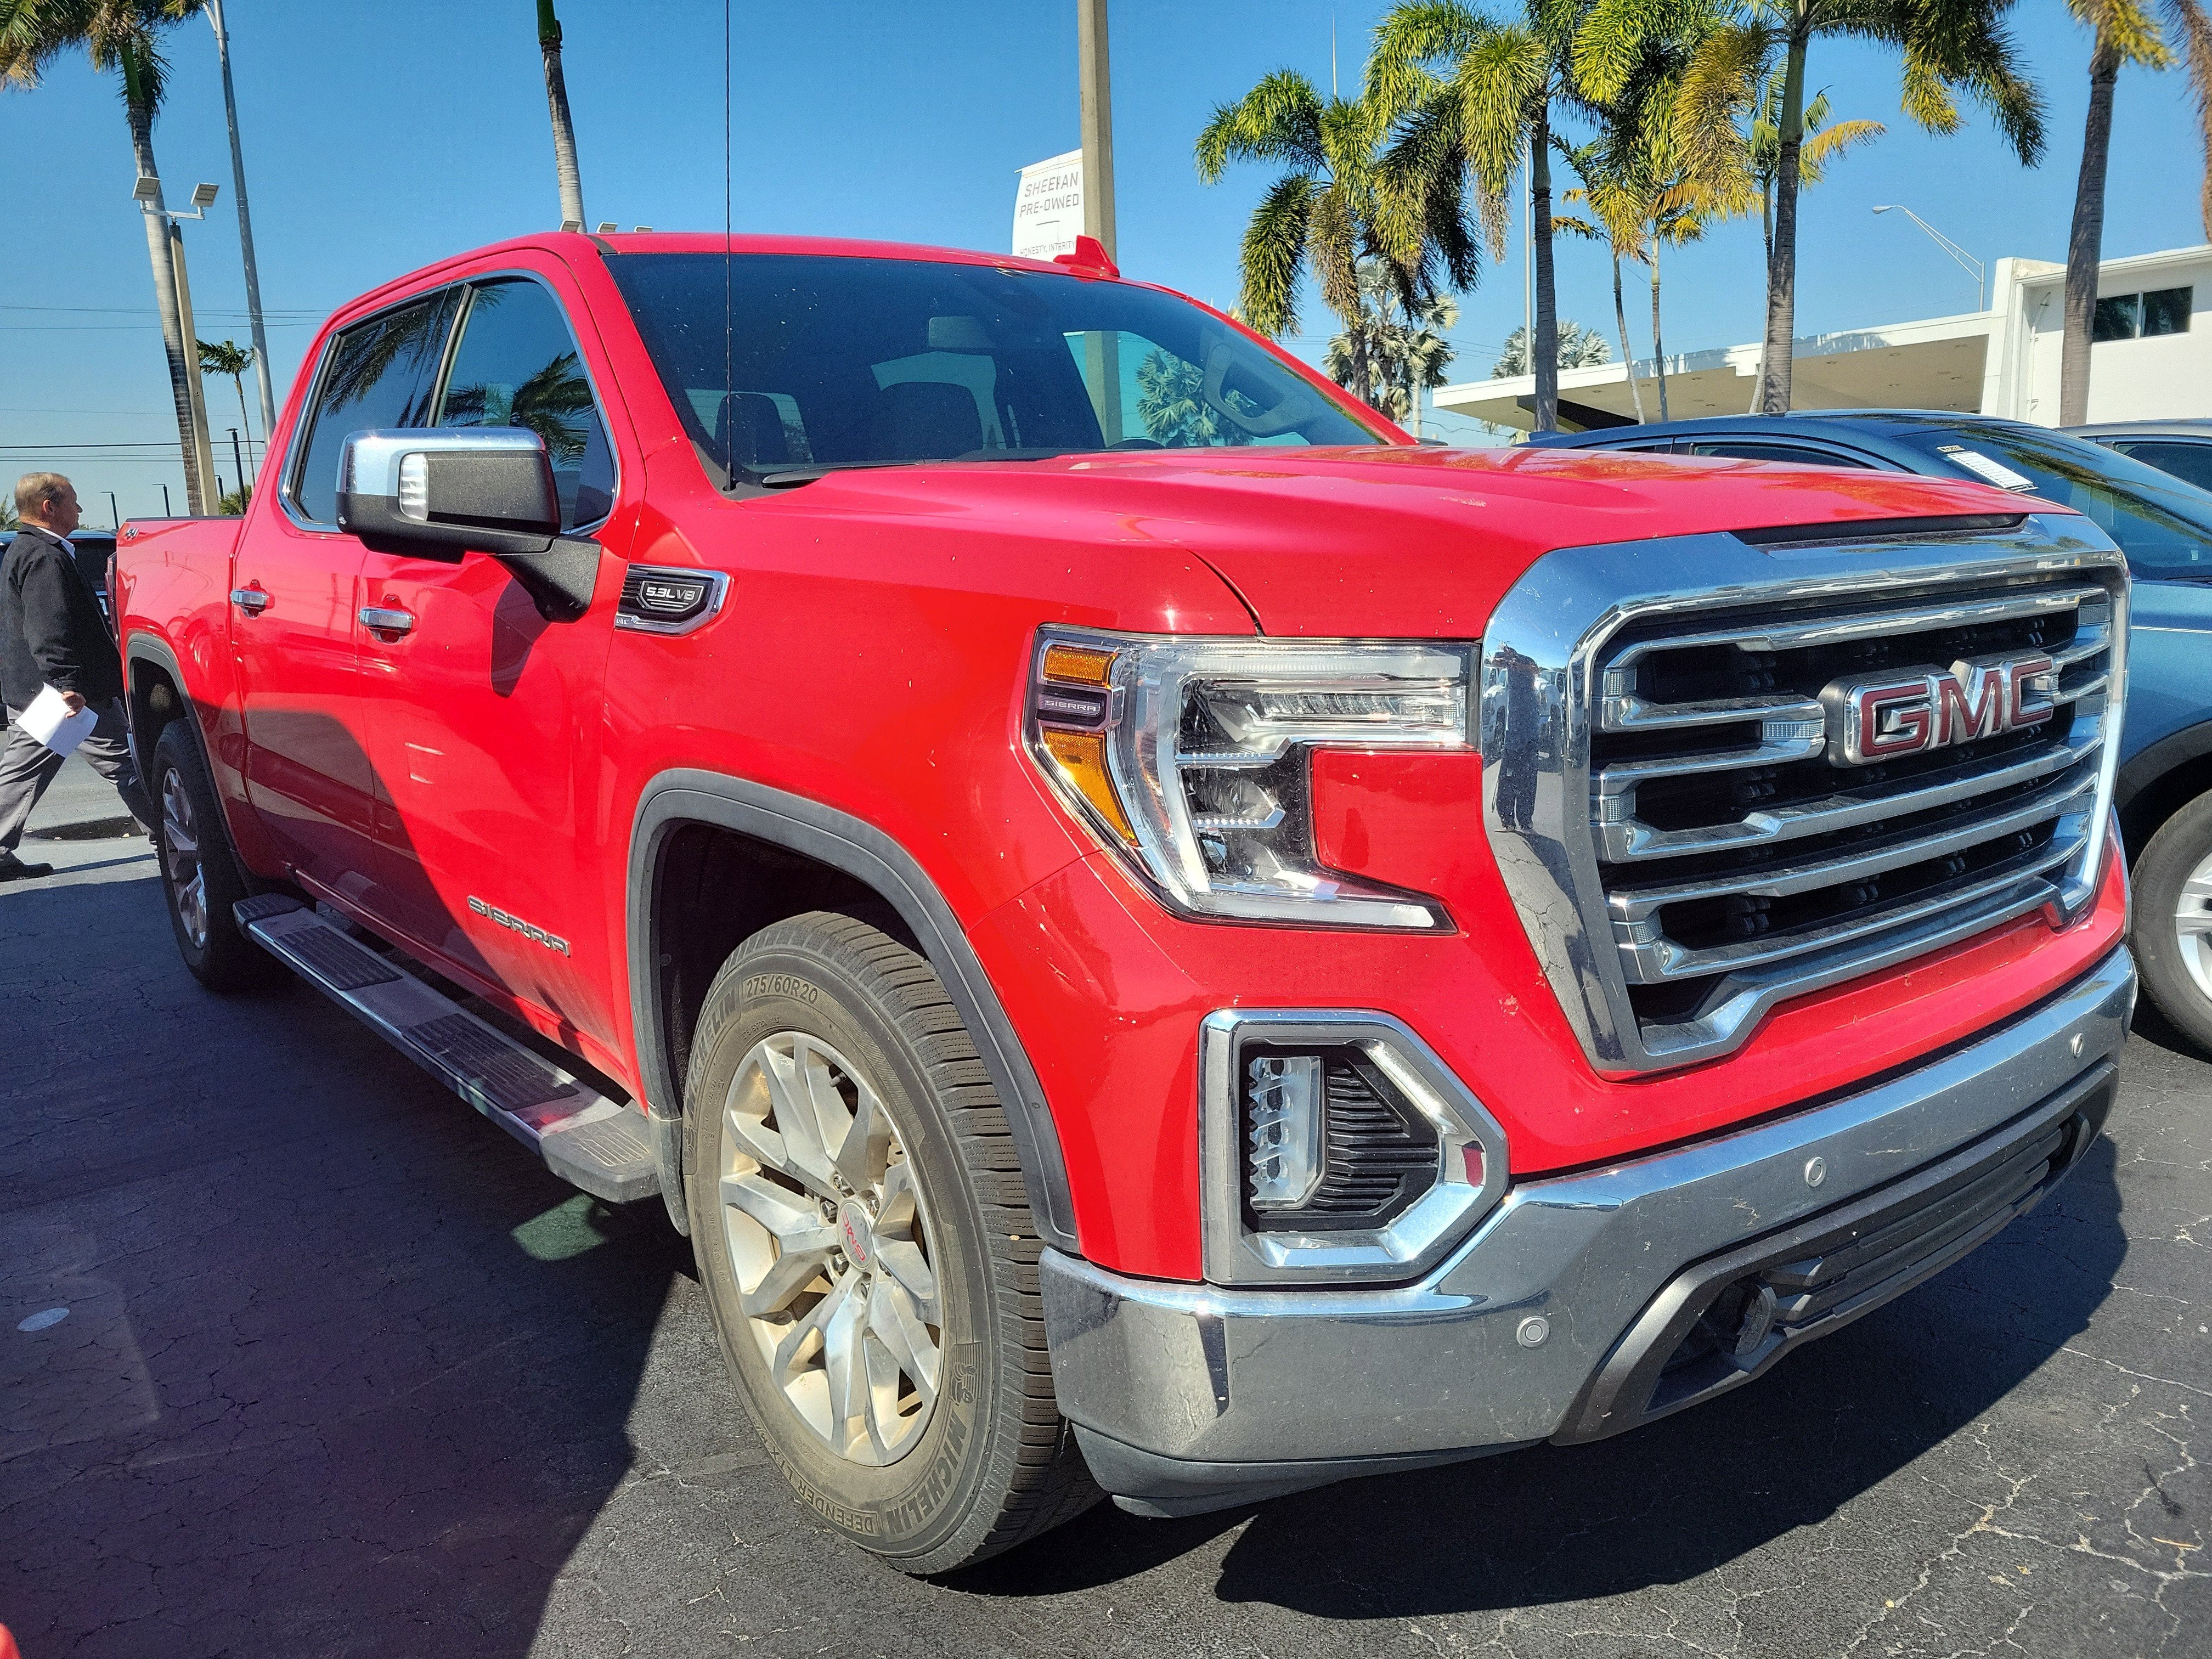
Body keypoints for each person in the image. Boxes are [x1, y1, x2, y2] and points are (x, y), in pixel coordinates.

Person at [0, 473, 153, 882]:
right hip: (64, 695)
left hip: (40, 690)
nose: (80, 510)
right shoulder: (43, 557)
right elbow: (51, 627)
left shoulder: (27, 550)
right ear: (49, 506)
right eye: (73, 502)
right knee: (126, 764)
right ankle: (178, 836)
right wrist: (67, 684)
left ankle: (173, 835)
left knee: (23, 772)